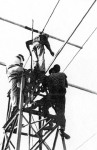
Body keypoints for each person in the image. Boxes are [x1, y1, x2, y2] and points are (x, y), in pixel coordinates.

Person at [42, 64, 70, 139]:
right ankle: (62, 129)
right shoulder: (63, 75)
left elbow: (44, 86)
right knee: (61, 113)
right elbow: (66, 85)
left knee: (44, 106)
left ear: (53, 70)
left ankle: (48, 121)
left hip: (53, 95)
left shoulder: (50, 76)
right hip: (61, 96)